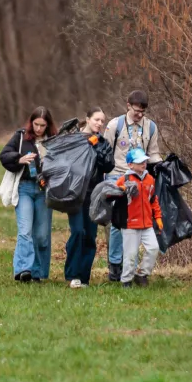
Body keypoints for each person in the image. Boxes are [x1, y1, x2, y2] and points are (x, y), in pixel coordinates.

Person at [102, 90, 163, 281]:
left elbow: (153, 154)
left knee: (136, 222)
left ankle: (133, 268)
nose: (139, 115)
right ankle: (115, 265)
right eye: (137, 111)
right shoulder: (115, 125)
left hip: (140, 178)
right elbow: (104, 153)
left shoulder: (151, 127)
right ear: (128, 105)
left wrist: (161, 167)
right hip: (117, 176)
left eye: (143, 112)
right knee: (117, 222)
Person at [0, 107, 58, 283]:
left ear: (48, 125)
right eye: (36, 124)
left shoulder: (54, 141)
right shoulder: (21, 137)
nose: (39, 128)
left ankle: (37, 272)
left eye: (42, 125)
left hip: (44, 191)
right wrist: (19, 159)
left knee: (41, 235)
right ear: (31, 123)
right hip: (24, 188)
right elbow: (4, 155)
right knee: (25, 230)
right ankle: (23, 269)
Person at [64, 107, 115, 288]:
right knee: (78, 231)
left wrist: (97, 148)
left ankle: (84, 277)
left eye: (102, 121)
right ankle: (72, 274)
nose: (100, 124)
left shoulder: (102, 142)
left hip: (94, 194)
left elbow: (109, 165)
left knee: (90, 236)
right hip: (75, 193)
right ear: (87, 119)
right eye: (96, 120)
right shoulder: (73, 139)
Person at [109, 148, 163, 287]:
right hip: (130, 224)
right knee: (130, 255)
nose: (143, 164)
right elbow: (109, 195)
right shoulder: (124, 179)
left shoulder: (150, 179)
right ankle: (126, 280)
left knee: (153, 248)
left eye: (144, 161)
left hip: (147, 224)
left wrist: (158, 217)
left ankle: (142, 274)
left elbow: (153, 199)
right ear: (130, 165)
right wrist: (121, 190)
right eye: (139, 162)